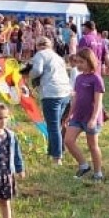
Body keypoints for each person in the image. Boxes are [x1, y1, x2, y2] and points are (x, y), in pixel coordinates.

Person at [64, 47, 106, 182]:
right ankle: (84, 165)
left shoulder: (96, 79)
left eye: (81, 62)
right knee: (68, 141)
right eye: (77, 62)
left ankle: (98, 173)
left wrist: (93, 119)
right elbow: (75, 98)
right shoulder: (79, 78)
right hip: (77, 116)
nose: (78, 65)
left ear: (89, 61)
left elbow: (98, 102)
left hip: (91, 118)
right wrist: (69, 114)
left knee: (92, 146)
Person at [29, 36, 71, 164]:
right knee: (57, 125)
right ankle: (55, 151)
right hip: (65, 93)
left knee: (52, 127)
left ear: (37, 46)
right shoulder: (57, 57)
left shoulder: (40, 55)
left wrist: (26, 74)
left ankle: (57, 157)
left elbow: (37, 70)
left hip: (51, 93)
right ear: (51, 46)